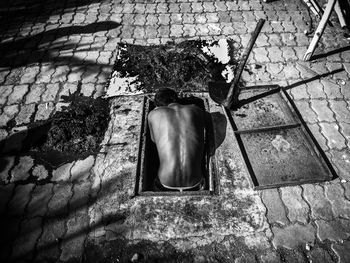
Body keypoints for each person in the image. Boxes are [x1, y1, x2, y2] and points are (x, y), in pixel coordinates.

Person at [147, 88, 209, 192]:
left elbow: (153, 140)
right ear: (176, 99)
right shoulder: (196, 110)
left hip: (164, 183)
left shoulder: (153, 115)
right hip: (196, 182)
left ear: (158, 106)